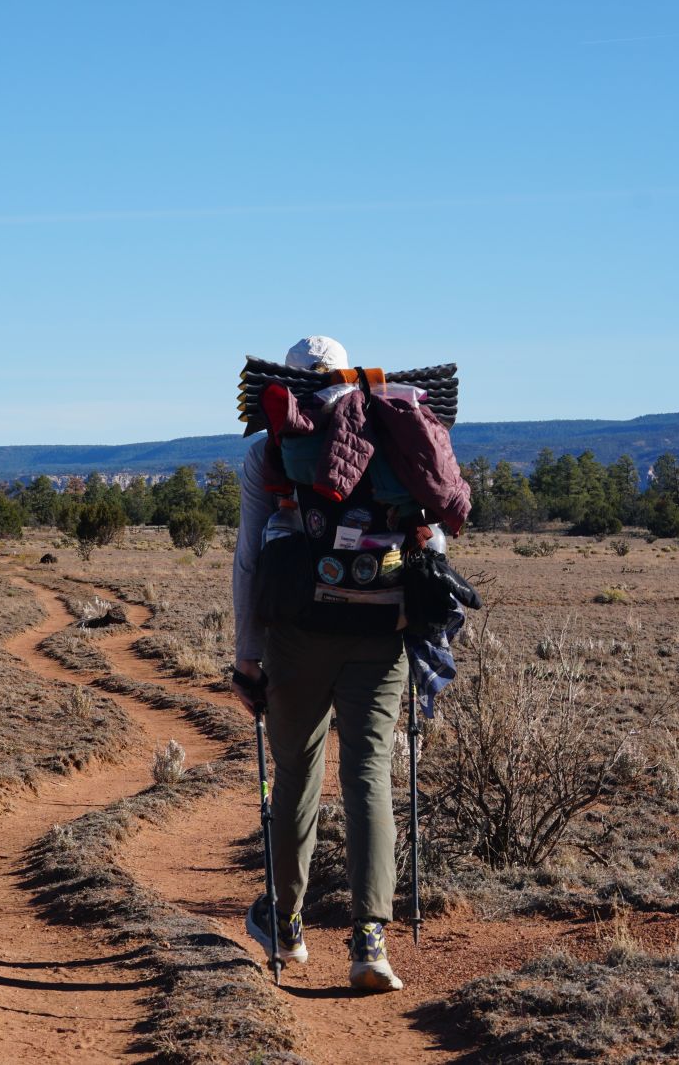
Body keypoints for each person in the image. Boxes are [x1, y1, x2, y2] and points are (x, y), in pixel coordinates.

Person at [231, 335, 408, 993]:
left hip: (297, 633)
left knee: (298, 774)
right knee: (369, 776)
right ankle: (371, 939)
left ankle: (286, 924)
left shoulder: (269, 451)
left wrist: (247, 656)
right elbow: (430, 537)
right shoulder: (393, 434)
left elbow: (250, 558)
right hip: (382, 630)